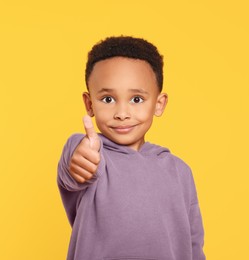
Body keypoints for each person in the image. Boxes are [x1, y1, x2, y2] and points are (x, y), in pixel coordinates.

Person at [57, 36, 205, 260]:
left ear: (158, 103)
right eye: (108, 99)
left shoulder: (180, 171)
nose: (122, 113)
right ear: (89, 104)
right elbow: (74, 167)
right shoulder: (93, 156)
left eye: (136, 99)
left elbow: (193, 243)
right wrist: (78, 155)